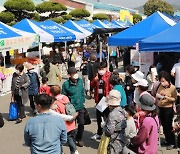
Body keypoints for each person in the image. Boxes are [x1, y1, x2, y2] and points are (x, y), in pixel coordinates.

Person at [50, 85, 79, 154]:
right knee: (71, 138)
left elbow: (57, 116)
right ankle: (74, 151)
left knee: (59, 140)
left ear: (52, 93)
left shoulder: (55, 103)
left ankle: (60, 152)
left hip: (63, 125)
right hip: (72, 123)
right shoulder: (65, 98)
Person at [62, 67, 85, 147]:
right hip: (72, 108)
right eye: (73, 73)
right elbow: (64, 96)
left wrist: (83, 100)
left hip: (81, 106)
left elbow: (82, 92)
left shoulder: (80, 81)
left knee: (81, 123)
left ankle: (80, 138)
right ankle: (72, 138)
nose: (75, 75)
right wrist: (67, 105)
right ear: (69, 75)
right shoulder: (66, 84)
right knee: (71, 125)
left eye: (76, 73)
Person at [90, 61, 112, 140]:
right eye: (99, 69)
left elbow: (111, 87)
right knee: (99, 117)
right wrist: (95, 80)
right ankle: (99, 133)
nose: (101, 70)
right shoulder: (97, 76)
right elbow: (92, 85)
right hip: (99, 98)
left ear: (106, 68)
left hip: (106, 99)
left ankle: (107, 133)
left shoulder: (109, 75)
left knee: (107, 117)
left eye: (102, 69)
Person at [156, 71, 177, 150]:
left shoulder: (172, 88)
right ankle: (167, 140)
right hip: (161, 107)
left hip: (168, 108)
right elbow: (157, 94)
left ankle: (172, 142)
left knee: (168, 126)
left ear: (168, 80)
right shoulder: (160, 86)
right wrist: (159, 96)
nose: (162, 83)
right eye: (161, 81)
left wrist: (166, 97)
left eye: (163, 81)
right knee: (164, 125)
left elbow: (174, 98)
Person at [104, 90, 126, 154]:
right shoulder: (122, 111)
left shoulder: (112, 114)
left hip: (114, 141)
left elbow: (109, 131)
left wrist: (104, 127)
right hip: (122, 139)